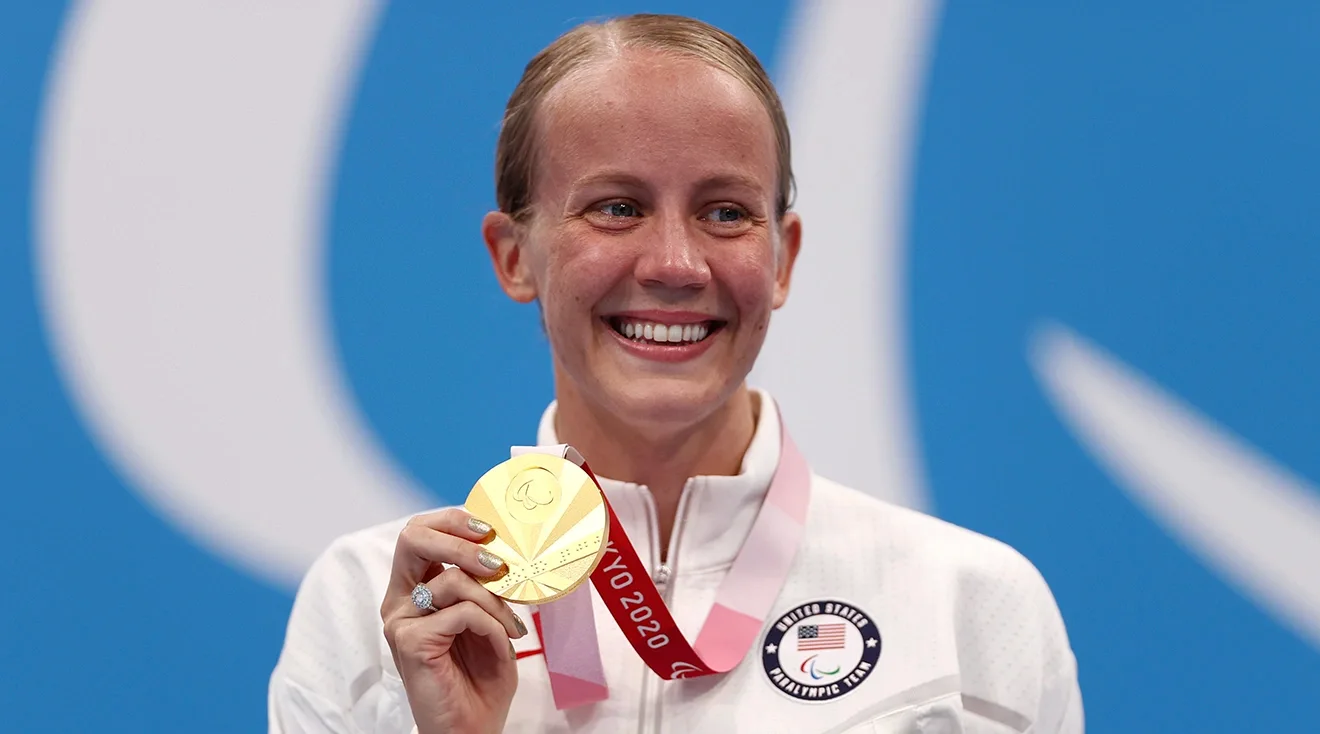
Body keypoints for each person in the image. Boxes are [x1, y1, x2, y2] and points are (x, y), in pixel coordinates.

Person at [268, 13, 1083, 734]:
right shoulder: (376, 608)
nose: (675, 264)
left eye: (725, 212)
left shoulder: (968, 608)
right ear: (514, 258)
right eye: (616, 207)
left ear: (783, 258)